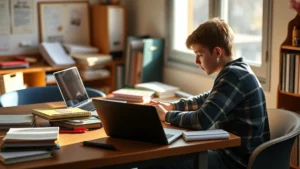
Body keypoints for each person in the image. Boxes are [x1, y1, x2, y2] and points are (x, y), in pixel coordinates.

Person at [150, 18, 270, 169]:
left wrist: (165, 116)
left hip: (234, 162)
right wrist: (171, 107)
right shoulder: (239, 69)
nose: (196, 61)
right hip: (230, 153)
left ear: (217, 52)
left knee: (158, 162)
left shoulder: (233, 76)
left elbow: (202, 120)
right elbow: (206, 99)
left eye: (200, 54)